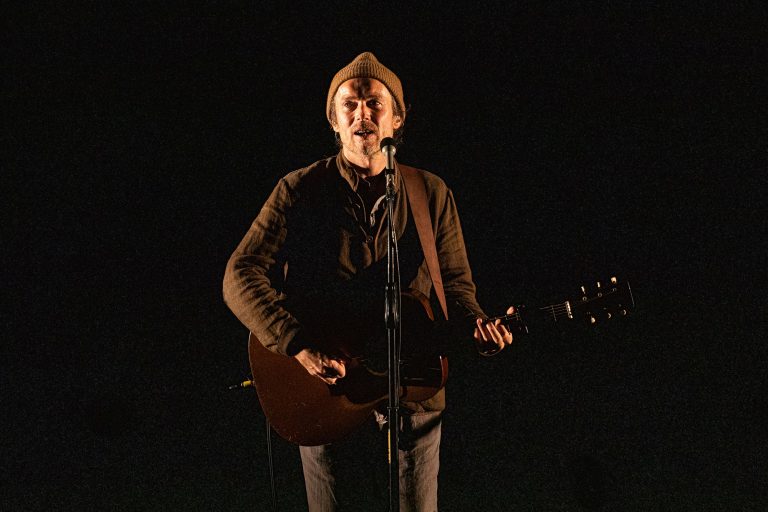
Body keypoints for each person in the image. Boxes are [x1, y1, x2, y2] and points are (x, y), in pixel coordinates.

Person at [223, 52, 514, 512]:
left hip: (413, 388)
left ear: (397, 119)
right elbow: (240, 274)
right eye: (350, 105)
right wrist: (297, 343)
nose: (362, 114)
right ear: (334, 122)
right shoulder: (299, 189)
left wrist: (478, 327)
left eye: (375, 103)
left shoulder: (430, 193)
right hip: (325, 388)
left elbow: (456, 288)